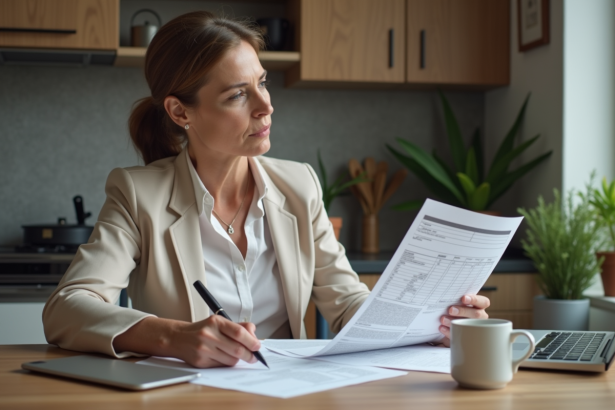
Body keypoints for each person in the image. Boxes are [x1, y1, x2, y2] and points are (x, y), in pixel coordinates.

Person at [42, 11, 490, 368]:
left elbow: (346, 300)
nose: (266, 106)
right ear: (181, 112)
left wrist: (426, 324)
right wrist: (174, 336)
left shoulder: (298, 184)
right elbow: (66, 308)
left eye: (262, 83)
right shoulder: (138, 193)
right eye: (238, 94)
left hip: (286, 393)